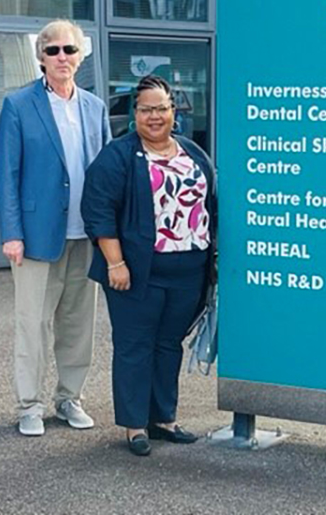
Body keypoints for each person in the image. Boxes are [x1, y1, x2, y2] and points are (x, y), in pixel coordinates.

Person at [81, 75, 216, 457]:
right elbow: (98, 211)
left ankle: (164, 419)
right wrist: (115, 262)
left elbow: (210, 205)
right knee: (134, 346)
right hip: (136, 271)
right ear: (134, 113)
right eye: (146, 109)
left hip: (188, 270)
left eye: (162, 108)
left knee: (168, 345)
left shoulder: (193, 152)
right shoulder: (118, 156)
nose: (154, 116)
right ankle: (135, 426)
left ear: (174, 111)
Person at [0, 19, 111, 437]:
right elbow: (8, 174)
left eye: (69, 50)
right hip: (35, 237)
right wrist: (11, 232)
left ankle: (69, 398)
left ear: (81, 57)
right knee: (32, 324)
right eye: (53, 51)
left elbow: (105, 174)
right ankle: (30, 404)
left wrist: (109, 231)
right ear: (41, 58)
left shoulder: (95, 107)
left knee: (79, 324)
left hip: (87, 235)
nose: (62, 57)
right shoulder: (18, 104)